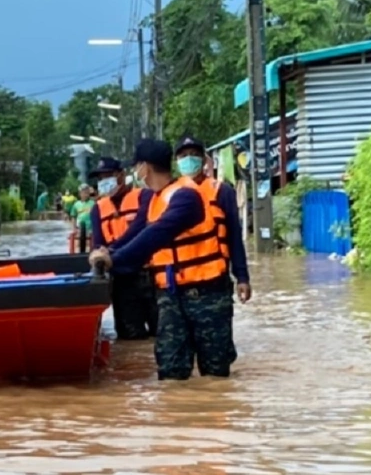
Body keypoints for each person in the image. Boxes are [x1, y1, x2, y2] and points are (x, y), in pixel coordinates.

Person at [89, 139, 251, 380]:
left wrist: (115, 260)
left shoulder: (186, 197)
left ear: (145, 167)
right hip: (171, 296)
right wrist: (107, 253)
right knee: (170, 372)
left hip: (207, 295)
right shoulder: (153, 199)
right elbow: (136, 233)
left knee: (215, 374)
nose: (136, 172)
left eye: (137, 167)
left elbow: (156, 235)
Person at [88, 156, 158, 340]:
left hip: (151, 276)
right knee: (130, 338)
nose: (104, 182)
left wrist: (112, 251)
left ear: (121, 175)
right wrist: (102, 254)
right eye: (101, 178)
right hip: (122, 280)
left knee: (164, 334)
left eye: (108, 176)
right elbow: (98, 242)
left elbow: (141, 228)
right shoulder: (97, 209)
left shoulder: (145, 196)